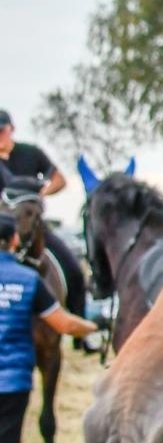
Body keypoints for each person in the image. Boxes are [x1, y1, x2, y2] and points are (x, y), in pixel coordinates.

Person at [0, 213, 103, 443]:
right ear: (15, 240)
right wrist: (94, 327)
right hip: (12, 383)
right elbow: (63, 323)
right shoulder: (29, 280)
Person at [0, 112, 92, 344]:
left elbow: (60, 180)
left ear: (11, 129)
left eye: (2, 131)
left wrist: (39, 194)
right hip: (2, 232)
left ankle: (81, 336)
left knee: (74, 271)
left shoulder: (31, 153)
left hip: (34, 228)